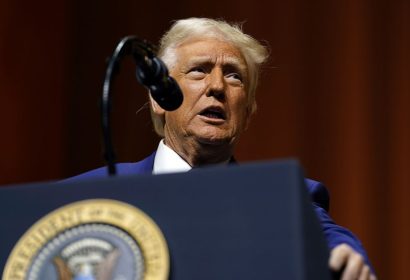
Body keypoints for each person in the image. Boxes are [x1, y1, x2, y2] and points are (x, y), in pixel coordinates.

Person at [69, 18, 376, 279]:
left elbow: (330, 239)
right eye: (198, 71)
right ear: (159, 97)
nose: (217, 86)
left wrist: (343, 256)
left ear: (249, 111)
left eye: (234, 76)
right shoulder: (85, 194)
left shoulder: (281, 197)